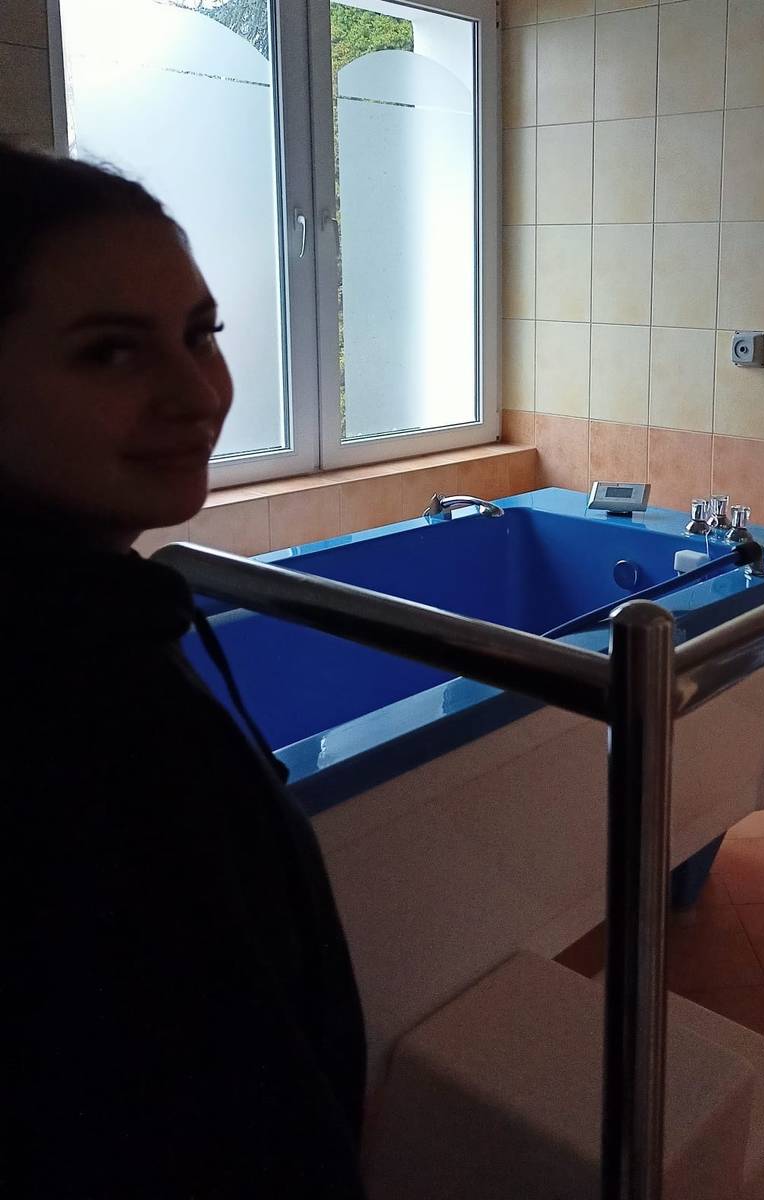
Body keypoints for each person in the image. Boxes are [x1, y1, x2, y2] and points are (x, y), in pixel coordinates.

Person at [0, 145, 367, 1197]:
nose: (196, 393)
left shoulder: (99, 631)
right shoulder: (77, 714)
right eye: (111, 352)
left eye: (201, 333)